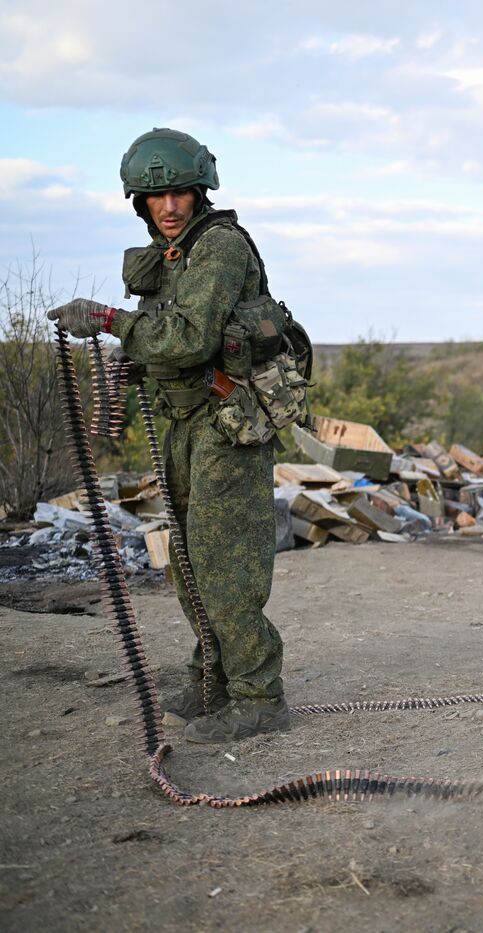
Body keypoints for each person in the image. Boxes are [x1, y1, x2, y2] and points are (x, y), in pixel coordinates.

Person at [48, 128, 300, 743]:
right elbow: (174, 342)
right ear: (138, 202)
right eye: (154, 198)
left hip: (228, 427)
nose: (168, 207)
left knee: (226, 566)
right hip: (187, 424)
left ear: (199, 192)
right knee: (187, 561)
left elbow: (190, 338)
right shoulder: (175, 256)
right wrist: (141, 355)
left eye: (180, 194)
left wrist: (109, 321)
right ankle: (212, 679)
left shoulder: (218, 249)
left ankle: (258, 695)